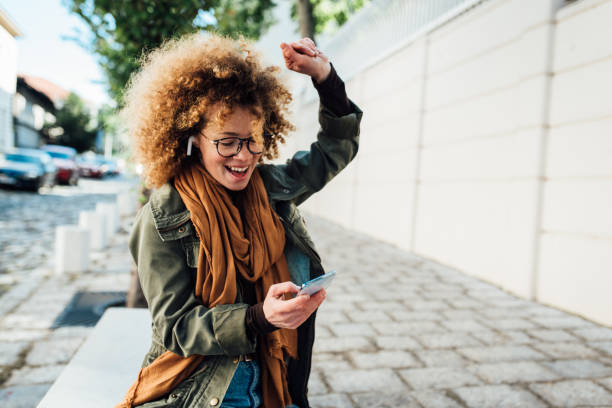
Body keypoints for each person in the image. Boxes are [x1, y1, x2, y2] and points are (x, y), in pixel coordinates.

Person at [116, 33, 362, 408]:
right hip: (199, 389)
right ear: (193, 138)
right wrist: (258, 318)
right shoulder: (162, 219)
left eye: (252, 140)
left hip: (274, 381)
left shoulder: (270, 187)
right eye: (227, 142)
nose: (243, 157)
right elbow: (174, 328)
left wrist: (325, 78)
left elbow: (335, 149)